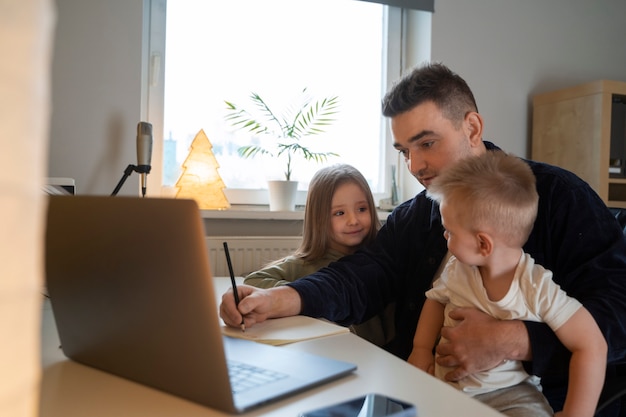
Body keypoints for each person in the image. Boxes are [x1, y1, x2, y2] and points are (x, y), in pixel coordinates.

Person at [220, 62, 626, 416]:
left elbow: (618, 312)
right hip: (417, 389)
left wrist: (514, 340)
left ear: (472, 127)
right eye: (403, 151)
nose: (415, 165)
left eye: (427, 143)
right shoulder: (416, 213)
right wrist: (281, 299)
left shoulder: (559, 197)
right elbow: (365, 274)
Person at [408, 151, 606, 417]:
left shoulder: (536, 287)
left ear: (483, 244)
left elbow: (592, 345)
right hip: (450, 392)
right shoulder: (458, 269)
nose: (444, 236)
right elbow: (435, 299)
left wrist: (576, 413)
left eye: (450, 232)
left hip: (513, 399)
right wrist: (420, 348)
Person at [243, 164, 394, 346]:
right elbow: (254, 280)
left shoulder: (381, 264)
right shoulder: (305, 264)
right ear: (319, 218)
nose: (353, 220)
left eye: (362, 209)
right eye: (339, 213)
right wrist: (303, 297)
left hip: (379, 358)